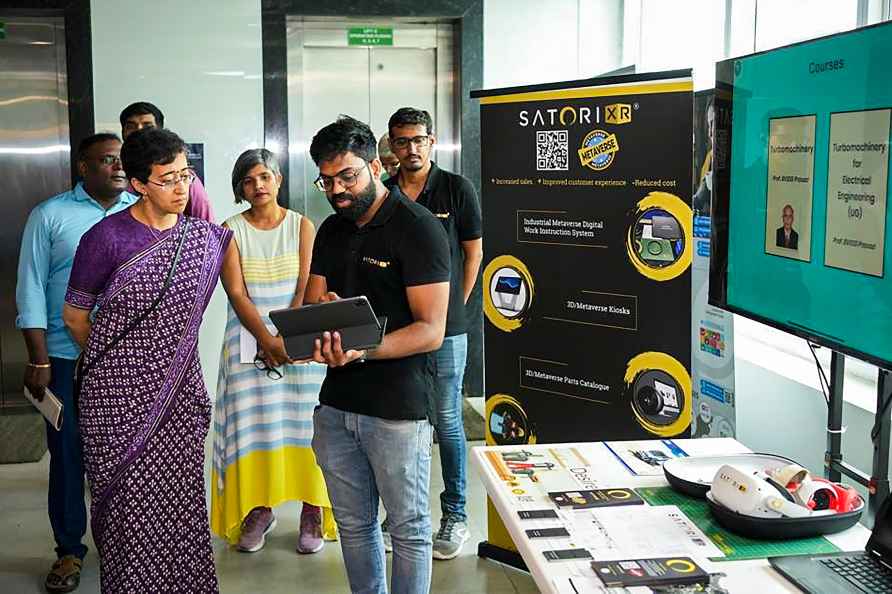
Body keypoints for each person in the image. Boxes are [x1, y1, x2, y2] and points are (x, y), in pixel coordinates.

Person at [61, 128, 231, 593]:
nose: (182, 189)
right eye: (168, 179)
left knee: (178, 505)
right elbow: (75, 316)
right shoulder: (106, 238)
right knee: (125, 510)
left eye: (186, 176)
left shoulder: (201, 238)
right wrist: (119, 365)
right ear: (137, 183)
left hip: (178, 396)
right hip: (113, 400)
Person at [307, 115, 450, 594]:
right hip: (337, 404)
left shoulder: (419, 229)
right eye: (327, 181)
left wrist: (360, 350)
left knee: (408, 530)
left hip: (397, 408)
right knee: (353, 525)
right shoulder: (331, 229)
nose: (337, 189)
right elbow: (313, 302)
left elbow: (430, 330)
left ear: (374, 165)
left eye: (347, 176)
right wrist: (321, 314)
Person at [15, 133, 138, 593]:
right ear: (82, 167)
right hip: (66, 358)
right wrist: (38, 357)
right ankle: (69, 550)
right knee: (68, 457)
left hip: (125, 361)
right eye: (106, 159)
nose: (117, 166)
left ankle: (125, 545)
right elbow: (29, 286)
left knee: (128, 456)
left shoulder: (140, 212)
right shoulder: (50, 216)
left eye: (122, 159)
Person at [212, 148, 334, 554]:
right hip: (247, 345)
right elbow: (235, 291)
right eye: (248, 180)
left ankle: (312, 509)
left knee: (307, 428)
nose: (258, 186)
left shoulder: (303, 226)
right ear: (239, 188)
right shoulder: (229, 229)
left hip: (297, 342)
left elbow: (305, 284)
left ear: (278, 180)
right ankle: (258, 509)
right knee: (255, 429)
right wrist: (266, 340)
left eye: (264, 177)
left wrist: (286, 337)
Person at [382, 107, 483, 560]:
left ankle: (455, 515)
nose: (411, 148)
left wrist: (451, 310)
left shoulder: (456, 189)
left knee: (445, 419)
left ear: (432, 141)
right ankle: (402, 516)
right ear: (392, 145)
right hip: (401, 330)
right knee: (405, 420)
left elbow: (473, 254)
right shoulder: (384, 193)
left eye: (419, 139)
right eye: (402, 141)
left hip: (447, 330)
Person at [119, 101, 215, 222]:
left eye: (147, 126)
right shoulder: (114, 175)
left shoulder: (185, 178)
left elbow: (206, 226)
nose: (139, 130)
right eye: (131, 126)